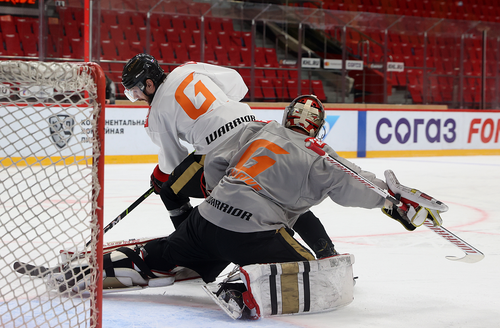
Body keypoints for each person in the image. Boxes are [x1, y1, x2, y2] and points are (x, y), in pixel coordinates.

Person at [64, 95, 446, 319]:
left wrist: (224, 195)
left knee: (161, 256)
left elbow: (213, 163)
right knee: (327, 276)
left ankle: (91, 268)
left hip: (204, 220)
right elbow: (354, 184)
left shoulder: (256, 130)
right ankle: (240, 290)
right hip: (252, 235)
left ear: (287, 117)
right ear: (318, 127)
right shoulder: (319, 154)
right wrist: (393, 204)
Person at [120, 54, 336, 259]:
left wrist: (161, 176)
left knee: (170, 192)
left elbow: (173, 161)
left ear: (149, 84)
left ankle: (193, 249)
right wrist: (219, 113)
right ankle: (327, 250)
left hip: (219, 150)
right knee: (275, 189)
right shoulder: (188, 68)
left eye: (135, 91)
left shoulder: (155, 113)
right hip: (254, 128)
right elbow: (236, 82)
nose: (136, 97)